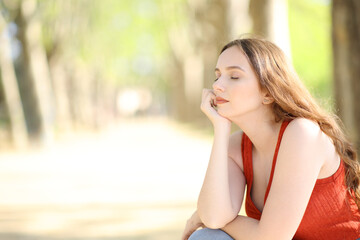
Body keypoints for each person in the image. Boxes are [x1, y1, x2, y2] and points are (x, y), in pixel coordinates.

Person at [182, 37, 360, 240]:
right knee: (207, 237)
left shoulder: (302, 133)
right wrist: (221, 129)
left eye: (234, 77)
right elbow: (214, 218)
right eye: (218, 76)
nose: (218, 86)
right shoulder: (236, 147)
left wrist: (208, 216)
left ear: (267, 92)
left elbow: (271, 238)